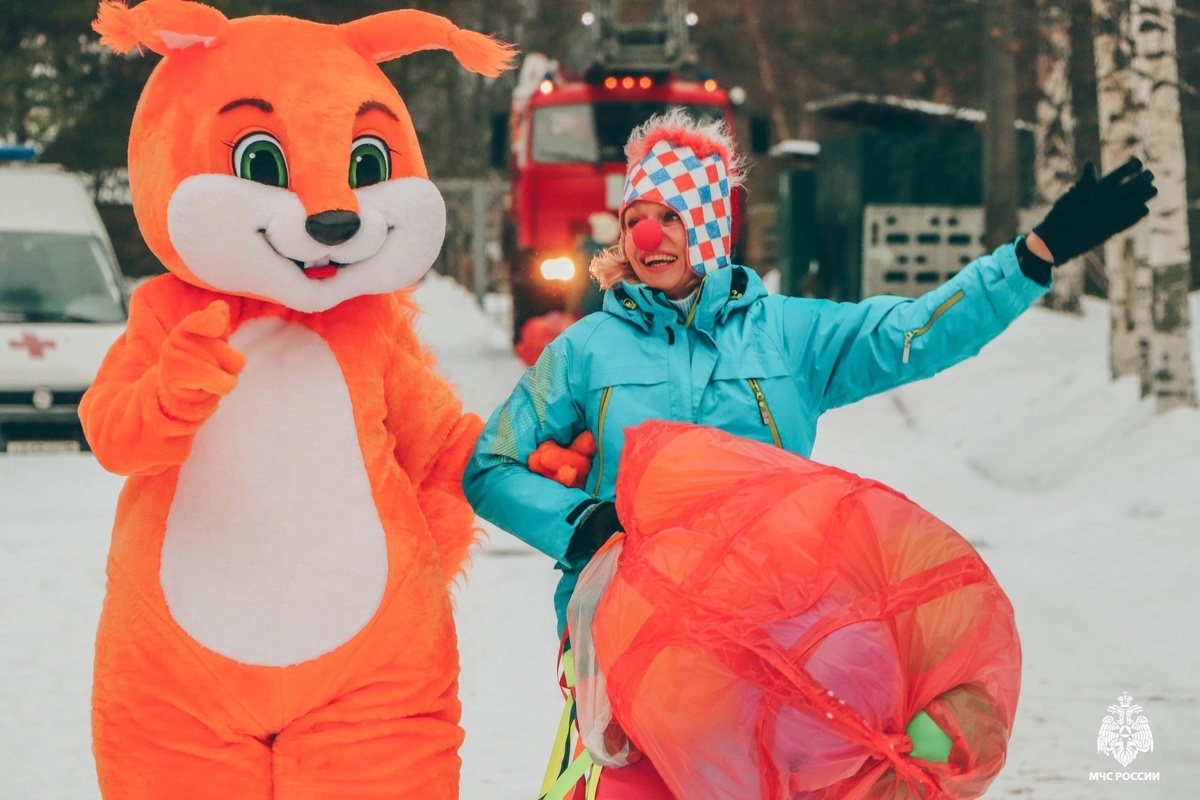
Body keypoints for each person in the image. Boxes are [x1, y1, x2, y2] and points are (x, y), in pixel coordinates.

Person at [463, 108, 1156, 798]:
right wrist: (581, 523)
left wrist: (1033, 257)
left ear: (708, 221)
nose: (648, 235)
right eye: (636, 216)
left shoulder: (788, 335)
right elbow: (490, 466)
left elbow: (915, 333)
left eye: (669, 216)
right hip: (631, 637)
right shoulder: (587, 350)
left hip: (768, 633)